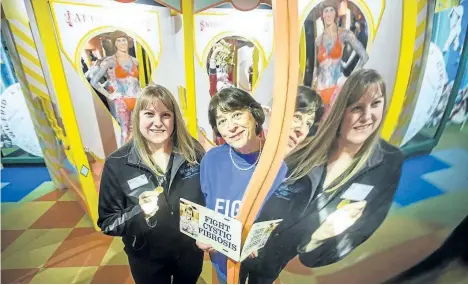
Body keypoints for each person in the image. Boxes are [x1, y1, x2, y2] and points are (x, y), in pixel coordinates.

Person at [240, 69, 404, 283]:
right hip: (257, 251)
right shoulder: (307, 153)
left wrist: (317, 242)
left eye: (375, 104)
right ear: (340, 111)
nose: (366, 116)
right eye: (356, 107)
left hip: (304, 269)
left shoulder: (388, 161)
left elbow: (365, 226)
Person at [97, 85, 206, 284]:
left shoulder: (193, 152)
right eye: (149, 114)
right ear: (138, 118)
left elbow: (208, 196)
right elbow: (108, 223)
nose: (158, 122)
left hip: (190, 252)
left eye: (165, 115)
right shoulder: (118, 163)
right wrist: (140, 212)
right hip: (147, 260)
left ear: (175, 119)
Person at [196, 87, 288, 283]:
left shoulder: (277, 164)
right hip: (223, 265)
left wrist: (267, 243)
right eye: (222, 121)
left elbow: (285, 221)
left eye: (237, 115)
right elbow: (205, 207)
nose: (231, 126)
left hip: (260, 267)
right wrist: (201, 232)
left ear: (254, 114)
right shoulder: (211, 161)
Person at [312, 0, 368, 108]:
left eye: (331, 10)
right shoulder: (318, 40)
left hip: (337, 89)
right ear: (322, 15)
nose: (328, 14)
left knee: (336, 121)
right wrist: (313, 87)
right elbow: (316, 66)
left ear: (335, 14)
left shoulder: (344, 34)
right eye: (326, 11)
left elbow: (364, 56)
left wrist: (351, 78)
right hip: (320, 89)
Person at [90, 30, 141, 144]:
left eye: (124, 40)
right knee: (125, 132)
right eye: (119, 40)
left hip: (137, 100)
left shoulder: (135, 61)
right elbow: (94, 81)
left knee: (139, 131)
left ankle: (139, 158)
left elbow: (136, 82)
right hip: (121, 101)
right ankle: (123, 160)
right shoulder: (110, 61)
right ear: (115, 43)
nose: (122, 42)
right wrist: (109, 95)